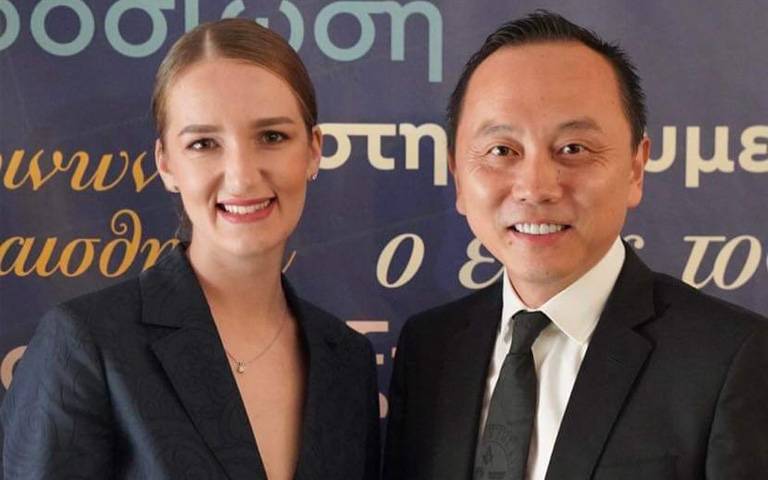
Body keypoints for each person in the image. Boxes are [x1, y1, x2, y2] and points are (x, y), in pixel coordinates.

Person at [384, 10, 768, 480]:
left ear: (635, 168)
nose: (536, 187)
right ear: (458, 177)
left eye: (573, 149)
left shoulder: (730, 359)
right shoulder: (431, 350)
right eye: (502, 151)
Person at [2, 19, 380, 480]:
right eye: (204, 144)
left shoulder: (347, 360)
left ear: (314, 150)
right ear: (166, 163)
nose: (241, 176)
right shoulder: (87, 343)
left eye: (272, 137)